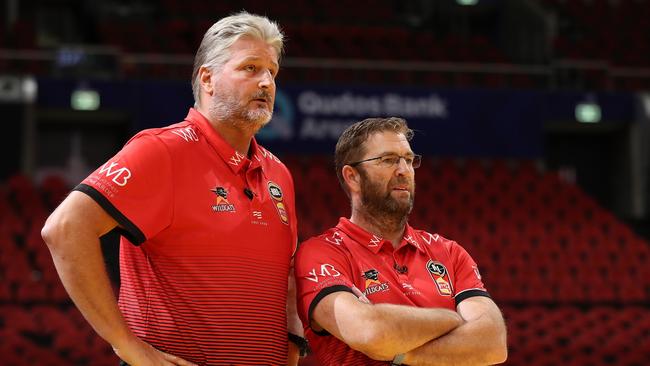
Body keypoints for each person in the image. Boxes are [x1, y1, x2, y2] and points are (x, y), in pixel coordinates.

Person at [41, 12, 306, 366]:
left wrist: (290, 353)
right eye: (250, 68)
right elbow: (64, 229)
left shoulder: (279, 173)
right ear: (207, 79)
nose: (266, 83)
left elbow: (284, 279)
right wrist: (127, 344)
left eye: (271, 72)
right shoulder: (164, 150)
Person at [294, 117, 508, 365]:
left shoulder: (449, 251)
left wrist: (401, 354)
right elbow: (371, 331)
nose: (404, 170)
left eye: (408, 160)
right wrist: (453, 320)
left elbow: (493, 343)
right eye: (388, 160)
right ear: (352, 177)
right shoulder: (320, 253)